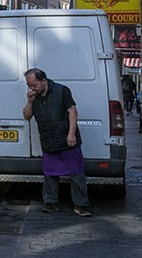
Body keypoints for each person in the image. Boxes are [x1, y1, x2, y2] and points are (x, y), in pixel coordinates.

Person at [23, 67, 91, 217]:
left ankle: (81, 205)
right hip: (48, 139)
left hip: (67, 139)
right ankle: (50, 203)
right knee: (49, 174)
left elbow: (72, 111)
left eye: (34, 85)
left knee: (76, 173)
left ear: (43, 81)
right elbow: (27, 116)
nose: (32, 88)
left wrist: (71, 134)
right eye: (29, 86)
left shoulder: (62, 91)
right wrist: (29, 102)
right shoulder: (35, 97)